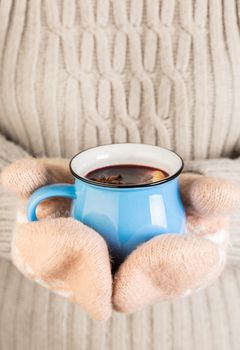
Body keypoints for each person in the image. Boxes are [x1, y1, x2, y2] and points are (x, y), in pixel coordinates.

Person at [0, 0, 240, 349]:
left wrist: (216, 221)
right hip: (26, 331)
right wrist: (24, 218)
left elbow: (222, 210)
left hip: (217, 332)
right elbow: (22, 200)